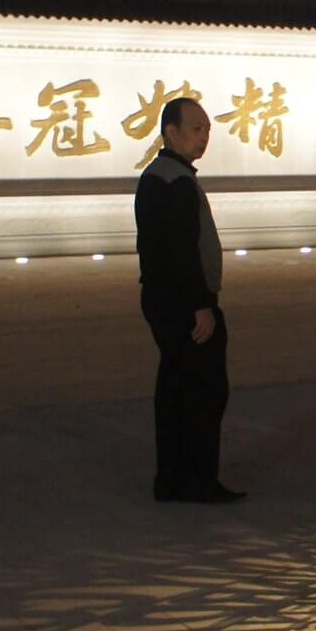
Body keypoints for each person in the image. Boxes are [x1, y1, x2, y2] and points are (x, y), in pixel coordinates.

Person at [135, 97, 241, 503]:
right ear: (170, 132)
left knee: (176, 388)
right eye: (196, 129)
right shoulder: (172, 181)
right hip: (182, 305)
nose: (204, 137)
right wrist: (201, 305)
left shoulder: (164, 176)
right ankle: (198, 479)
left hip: (165, 300)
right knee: (204, 390)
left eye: (207, 129)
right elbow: (180, 251)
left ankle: (172, 478)